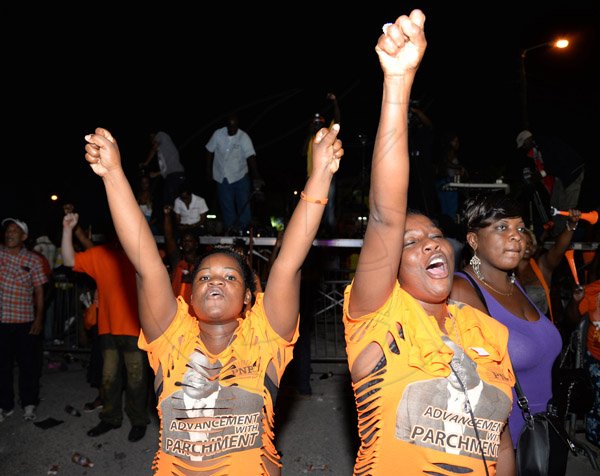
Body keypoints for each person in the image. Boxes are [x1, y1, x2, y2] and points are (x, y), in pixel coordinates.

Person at [82, 117, 342, 474]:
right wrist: (112, 174)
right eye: (204, 276)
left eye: (230, 277)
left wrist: (321, 174)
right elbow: (146, 262)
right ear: (190, 296)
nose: (214, 282)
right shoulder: (170, 338)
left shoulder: (265, 338)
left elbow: (287, 263)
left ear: (249, 298)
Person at [343, 11, 515, 475]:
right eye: (411, 242)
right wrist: (398, 83)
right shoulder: (376, 320)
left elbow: (502, 445)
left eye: (436, 237)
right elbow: (385, 214)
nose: (430, 245)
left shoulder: (488, 334)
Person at [450, 193, 563, 464]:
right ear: (473, 240)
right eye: (501, 227)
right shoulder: (461, 290)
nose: (516, 237)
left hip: (543, 434)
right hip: (500, 447)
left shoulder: (514, 285)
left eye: (520, 228)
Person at [61, 216, 150, 442]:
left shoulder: (140, 253)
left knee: (136, 380)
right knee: (108, 377)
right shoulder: (101, 254)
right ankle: (110, 418)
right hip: (108, 329)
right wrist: (67, 229)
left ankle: (139, 421)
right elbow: (70, 260)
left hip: (135, 329)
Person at [0, 218, 48, 423]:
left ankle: (29, 403)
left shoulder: (34, 260)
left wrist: (39, 319)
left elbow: (39, 290)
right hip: (2, 321)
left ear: (24, 237)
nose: (9, 234)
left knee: (28, 365)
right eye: (7, 230)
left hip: (25, 320)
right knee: (2, 366)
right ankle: (5, 405)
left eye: (14, 231)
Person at [514, 130, 585, 237]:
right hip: (561, 175)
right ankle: (557, 232)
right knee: (555, 204)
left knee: (568, 207)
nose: (524, 148)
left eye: (524, 144)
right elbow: (550, 166)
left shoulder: (544, 142)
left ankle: (564, 235)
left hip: (573, 173)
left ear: (528, 139)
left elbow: (557, 162)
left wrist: (541, 174)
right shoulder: (537, 147)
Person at [515, 209, 581, 323]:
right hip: (514, 331)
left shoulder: (541, 266)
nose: (527, 246)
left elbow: (558, 249)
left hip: (540, 330)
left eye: (530, 243)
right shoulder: (504, 270)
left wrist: (571, 225)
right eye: (522, 242)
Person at [205, 113, 264, 235]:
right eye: (230, 126)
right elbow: (209, 151)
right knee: (227, 206)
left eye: (235, 126)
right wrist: (208, 171)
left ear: (238, 126)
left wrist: (256, 176)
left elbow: (251, 157)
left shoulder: (243, 137)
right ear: (227, 125)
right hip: (222, 177)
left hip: (240, 176)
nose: (232, 129)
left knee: (244, 204)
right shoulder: (218, 134)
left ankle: (243, 230)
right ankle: (231, 230)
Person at [304, 93, 341, 236]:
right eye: (315, 123)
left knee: (329, 207)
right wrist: (308, 133)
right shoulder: (310, 139)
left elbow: (337, 120)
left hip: (327, 176)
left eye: (319, 122)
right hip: (311, 177)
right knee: (312, 207)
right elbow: (301, 152)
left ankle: (331, 235)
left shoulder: (327, 136)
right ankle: (315, 234)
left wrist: (335, 102)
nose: (317, 125)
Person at [140, 131, 186, 208]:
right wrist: (156, 174)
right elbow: (166, 169)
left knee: (171, 202)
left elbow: (153, 148)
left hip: (176, 174)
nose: (152, 140)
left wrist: (146, 163)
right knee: (168, 202)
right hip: (171, 176)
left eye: (153, 137)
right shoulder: (162, 153)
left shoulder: (161, 135)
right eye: (150, 139)